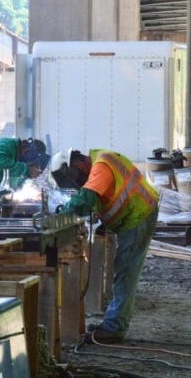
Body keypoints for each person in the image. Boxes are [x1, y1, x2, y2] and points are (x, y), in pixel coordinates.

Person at [50, 147, 159, 343]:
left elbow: (85, 200)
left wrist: (59, 213)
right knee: (124, 270)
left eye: (75, 177)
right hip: (133, 215)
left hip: (138, 215)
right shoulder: (97, 164)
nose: (78, 183)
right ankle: (113, 322)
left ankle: (115, 327)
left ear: (77, 164)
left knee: (125, 271)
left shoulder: (102, 164)